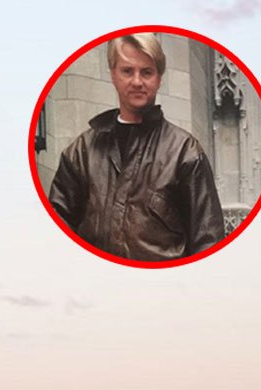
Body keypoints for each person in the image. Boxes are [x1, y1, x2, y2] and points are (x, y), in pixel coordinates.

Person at [48, 33, 224, 262]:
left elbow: (209, 244)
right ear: (113, 74)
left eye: (147, 72)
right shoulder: (82, 151)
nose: (137, 81)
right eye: (127, 71)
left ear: (159, 77)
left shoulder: (185, 152)